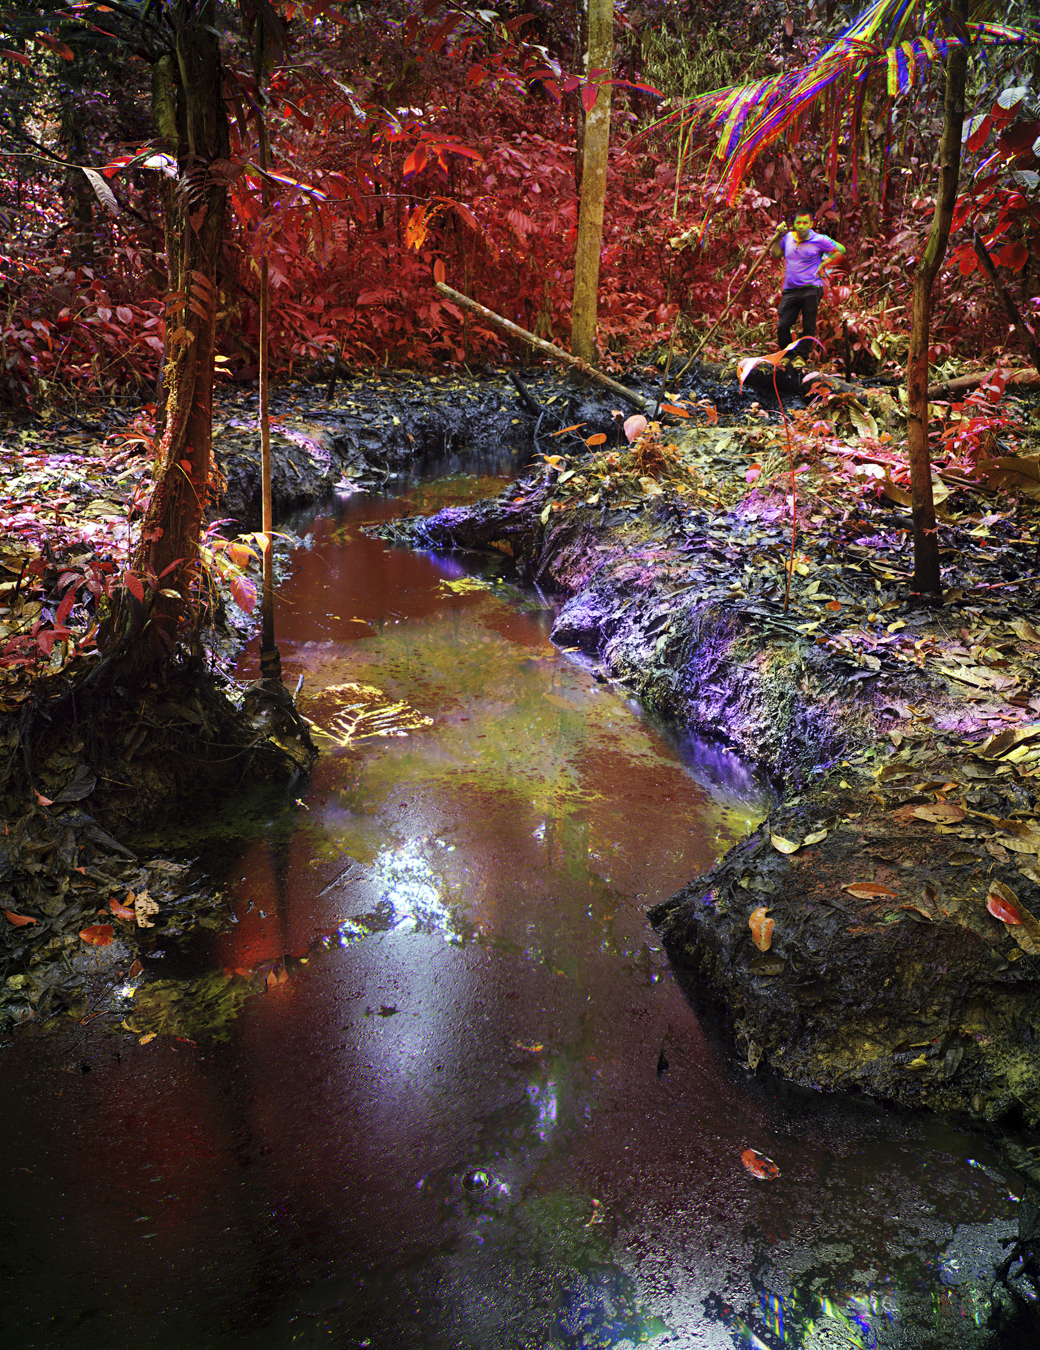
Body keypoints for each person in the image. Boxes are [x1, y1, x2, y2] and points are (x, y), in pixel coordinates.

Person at [769, 209, 846, 357]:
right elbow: (776, 254)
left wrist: (824, 264)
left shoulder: (819, 239)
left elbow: (840, 250)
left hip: (811, 288)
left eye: (805, 222)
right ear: (794, 224)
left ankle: (802, 358)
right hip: (790, 290)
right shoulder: (788, 238)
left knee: (808, 325)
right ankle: (787, 356)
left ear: (811, 224)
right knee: (783, 325)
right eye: (799, 222)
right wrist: (778, 236)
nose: (802, 225)